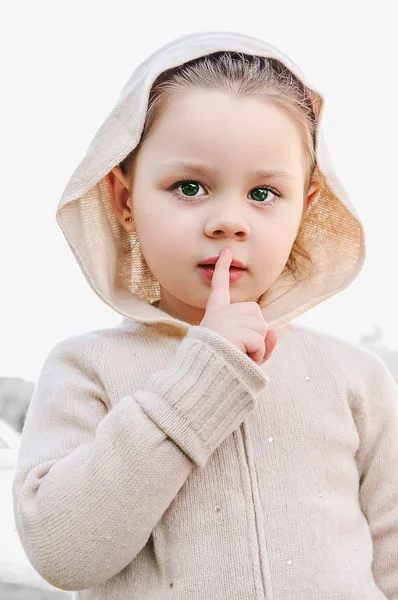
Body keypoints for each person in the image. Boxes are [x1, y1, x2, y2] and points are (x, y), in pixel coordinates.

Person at [12, 31, 398, 599]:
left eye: (264, 193)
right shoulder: (86, 367)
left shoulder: (356, 378)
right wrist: (203, 376)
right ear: (124, 200)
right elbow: (63, 553)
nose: (228, 221)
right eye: (189, 186)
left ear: (306, 206)